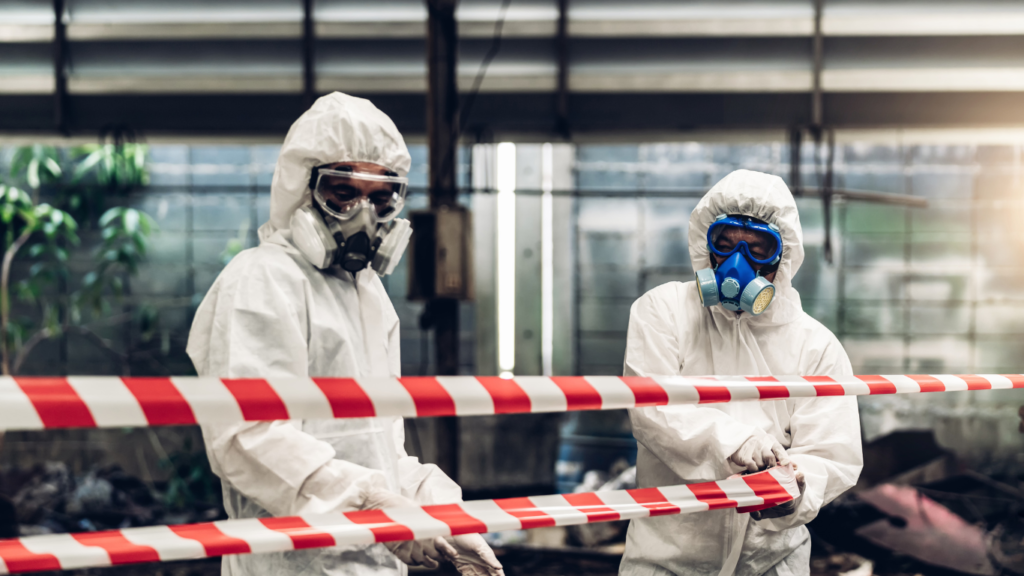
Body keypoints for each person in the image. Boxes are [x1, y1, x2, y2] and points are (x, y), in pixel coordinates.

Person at [187, 92, 504, 576]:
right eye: (343, 192)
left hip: (375, 563)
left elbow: (382, 448)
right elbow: (248, 437)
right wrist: (368, 506)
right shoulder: (261, 279)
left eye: (381, 197)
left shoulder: (368, 294)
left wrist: (443, 512)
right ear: (302, 187)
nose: (364, 214)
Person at [619, 169, 863, 576]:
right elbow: (654, 411)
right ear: (705, 245)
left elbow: (832, 454)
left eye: (757, 249)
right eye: (726, 244)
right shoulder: (663, 311)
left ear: (783, 258)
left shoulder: (815, 345)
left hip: (770, 561)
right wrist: (739, 444)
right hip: (666, 559)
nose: (736, 265)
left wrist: (795, 486)